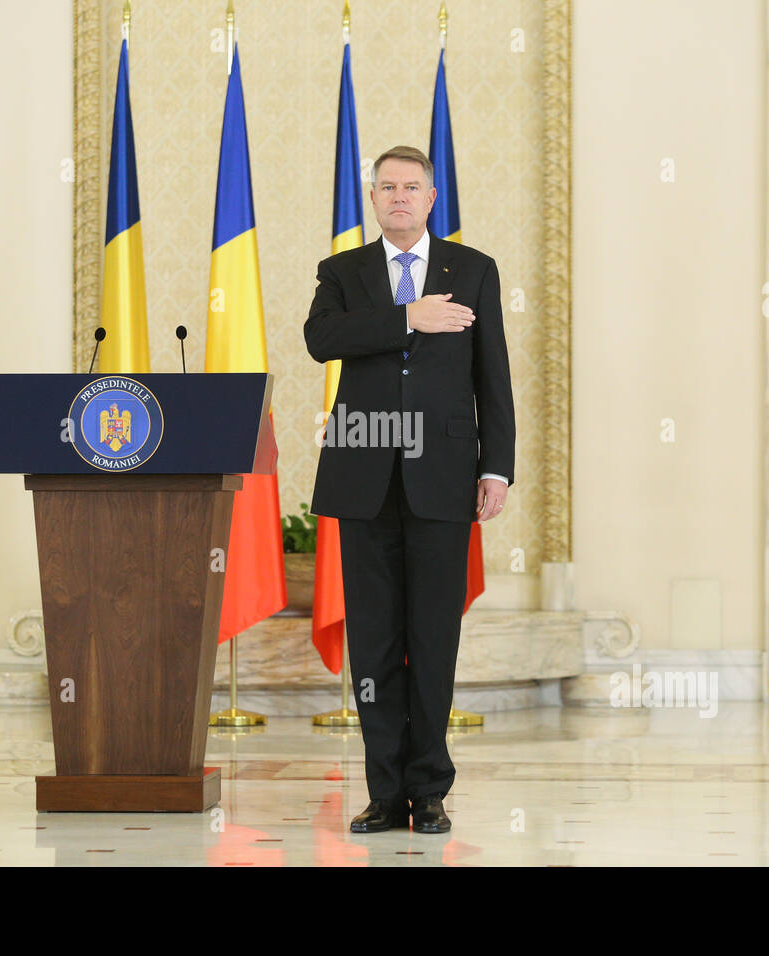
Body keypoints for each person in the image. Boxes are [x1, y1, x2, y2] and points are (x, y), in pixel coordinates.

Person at [304, 145, 516, 834]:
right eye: (386, 187)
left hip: (444, 478)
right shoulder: (343, 271)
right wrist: (406, 318)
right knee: (373, 643)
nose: (398, 197)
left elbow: (494, 378)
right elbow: (320, 339)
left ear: (431, 197)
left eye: (411, 187)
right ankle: (384, 792)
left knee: (431, 637)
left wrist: (496, 467)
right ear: (373, 198)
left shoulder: (474, 270)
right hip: (364, 475)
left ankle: (429, 791)